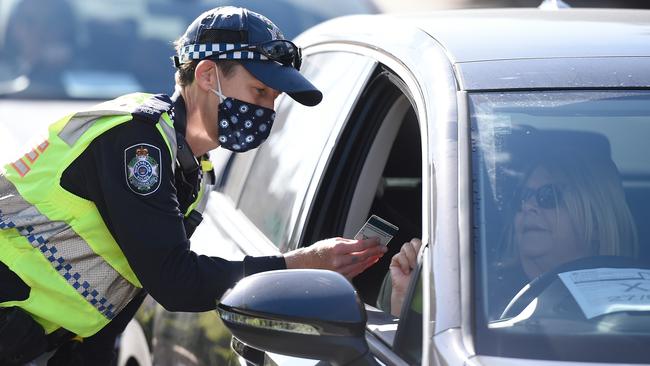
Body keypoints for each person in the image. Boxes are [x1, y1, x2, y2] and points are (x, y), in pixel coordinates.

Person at [0, 7, 386, 365]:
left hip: (31, 339)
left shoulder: (191, 167)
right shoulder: (137, 144)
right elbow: (174, 281)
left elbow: (125, 291)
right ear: (206, 75)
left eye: (274, 99)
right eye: (259, 92)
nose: (267, 111)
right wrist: (298, 264)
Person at [386, 148, 639, 318]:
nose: (529, 206)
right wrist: (408, 301)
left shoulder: (636, 298)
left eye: (547, 197)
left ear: (595, 219)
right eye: (522, 197)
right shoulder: (470, 291)